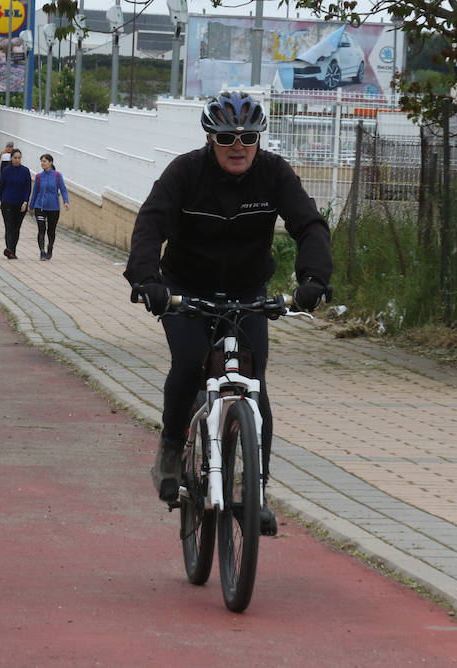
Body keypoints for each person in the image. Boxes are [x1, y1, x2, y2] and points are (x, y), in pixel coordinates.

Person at [123, 90, 333, 535]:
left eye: (248, 137)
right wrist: (147, 281)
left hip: (247, 292)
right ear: (209, 138)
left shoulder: (274, 174)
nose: (238, 146)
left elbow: (309, 224)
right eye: (225, 137)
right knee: (188, 362)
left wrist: (313, 279)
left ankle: (256, 490)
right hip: (186, 291)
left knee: (254, 384)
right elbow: (151, 222)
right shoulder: (185, 173)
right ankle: (169, 448)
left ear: (258, 139)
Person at [31, 154, 70, 261]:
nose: (42, 163)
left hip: (53, 207)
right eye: (41, 161)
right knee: (41, 229)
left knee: (51, 230)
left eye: (44, 161)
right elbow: (35, 192)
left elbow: (63, 189)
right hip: (40, 207)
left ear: (50, 162)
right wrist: (31, 207)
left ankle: (50, 248)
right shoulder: (39, 176)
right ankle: (42, 252)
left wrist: (66, 201)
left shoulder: (57, 175)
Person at [0, 149, 32, 259]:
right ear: (11, 158)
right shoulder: (6, 171)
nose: (17, 160)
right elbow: (1, 187)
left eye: (19, 158)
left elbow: (28, 188)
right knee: (9, 227)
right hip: (7, 203)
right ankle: (9, 249)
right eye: (15, 158)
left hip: (20, 204)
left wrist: (25, 202)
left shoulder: (25, 171)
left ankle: (12, 250)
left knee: (16, 228)